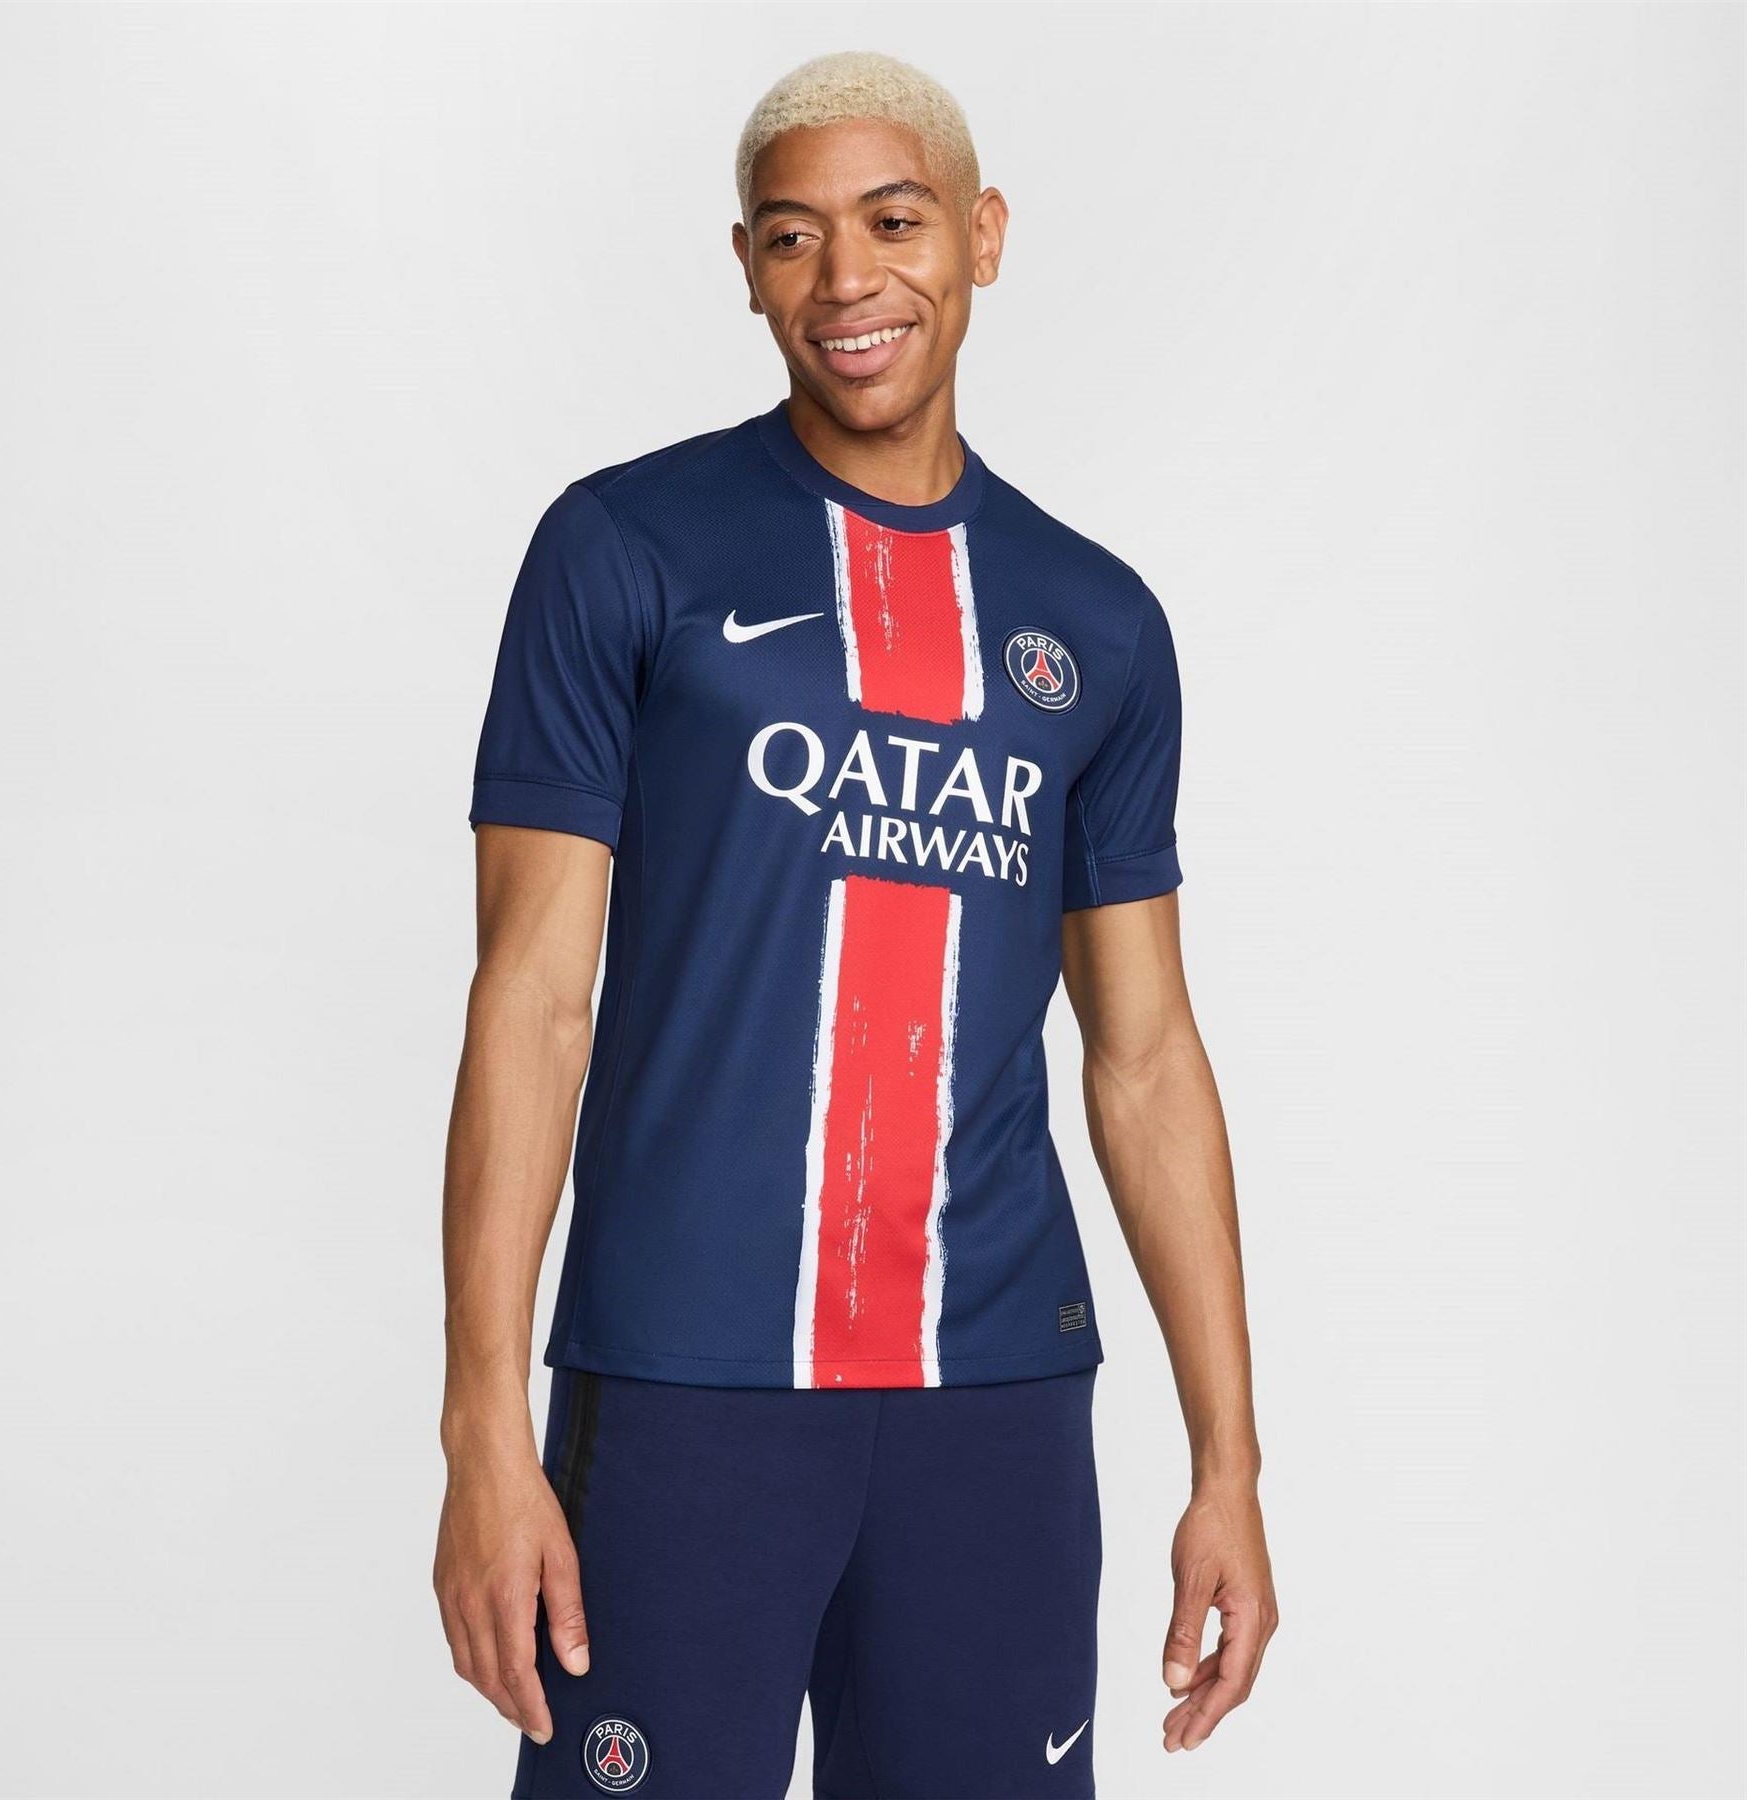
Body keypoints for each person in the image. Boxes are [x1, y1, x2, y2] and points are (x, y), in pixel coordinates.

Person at [434, 50, 1275, 1800]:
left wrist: (1229, 1462)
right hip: (685, 1380)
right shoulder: (623, 549)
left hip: (995, 1391)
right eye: (794, 236)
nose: (847, 280)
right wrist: (482, 1427)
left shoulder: (1096, 622)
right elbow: (533, 1000)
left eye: (894, 223)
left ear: (981, 237)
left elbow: (1142, 1056)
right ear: (746, 267)